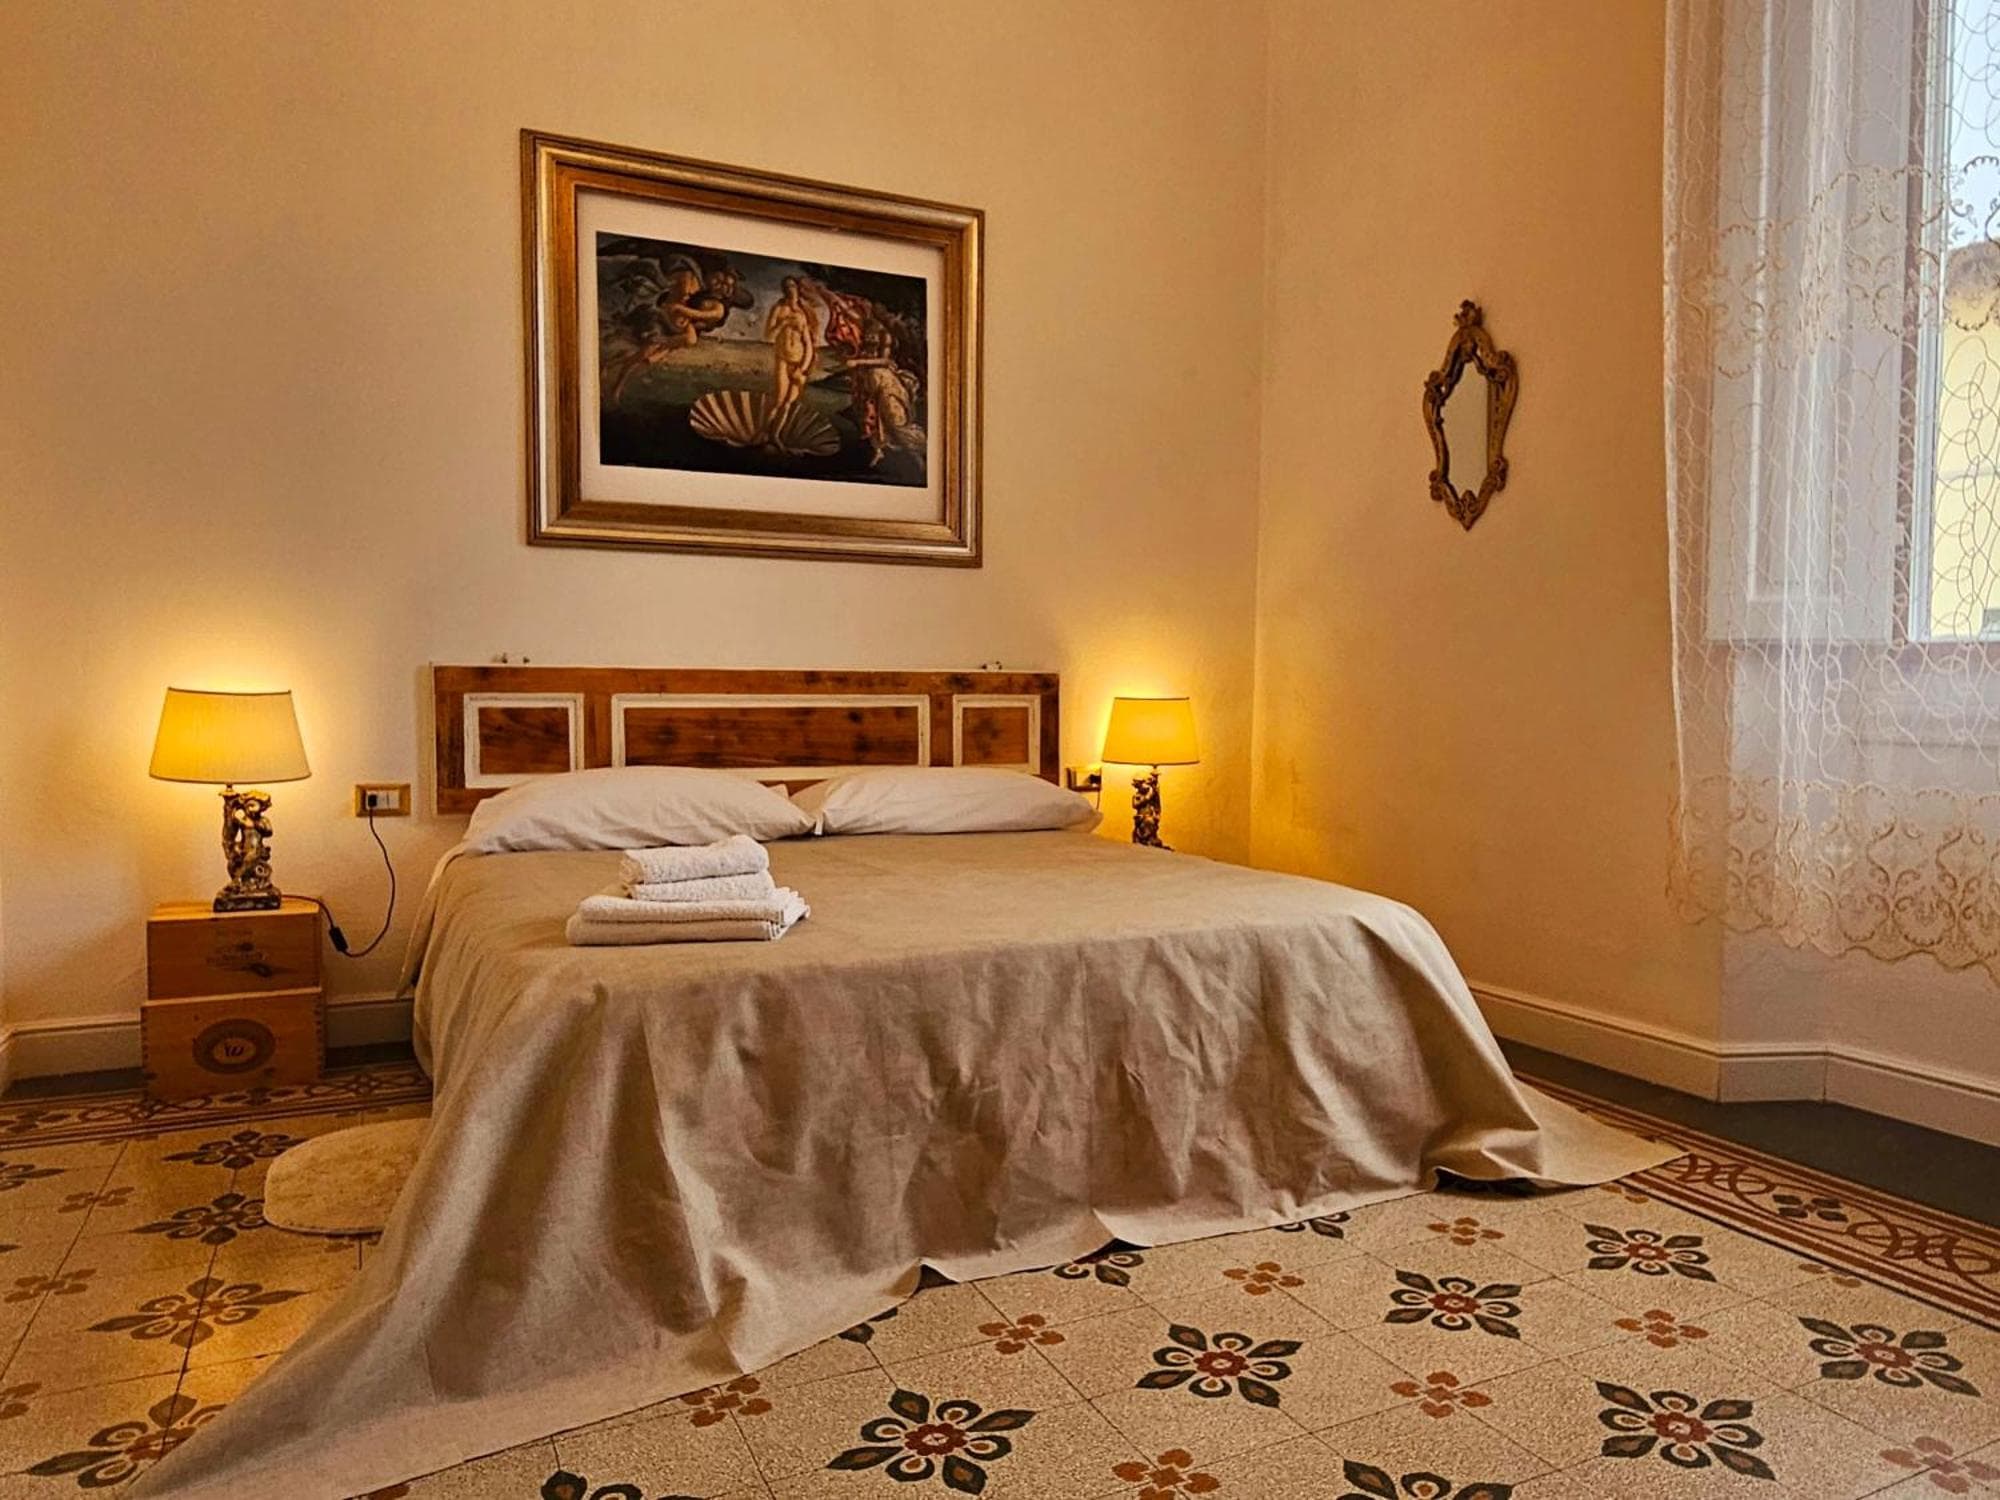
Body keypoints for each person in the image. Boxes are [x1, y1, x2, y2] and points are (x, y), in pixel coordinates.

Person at [762, 276, 819, 438]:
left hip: (799, 362)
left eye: (793, 285)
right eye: (787, 286)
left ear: (798, 288)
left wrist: (802, 369)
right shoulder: (779, 309)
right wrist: (784, 323)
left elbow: (808, 345)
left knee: (788, 403)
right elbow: (768, 335)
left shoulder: (803, 312)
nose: (790, 289)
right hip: (783, 359)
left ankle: (775, 436)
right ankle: (763, 433)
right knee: (778, 400)